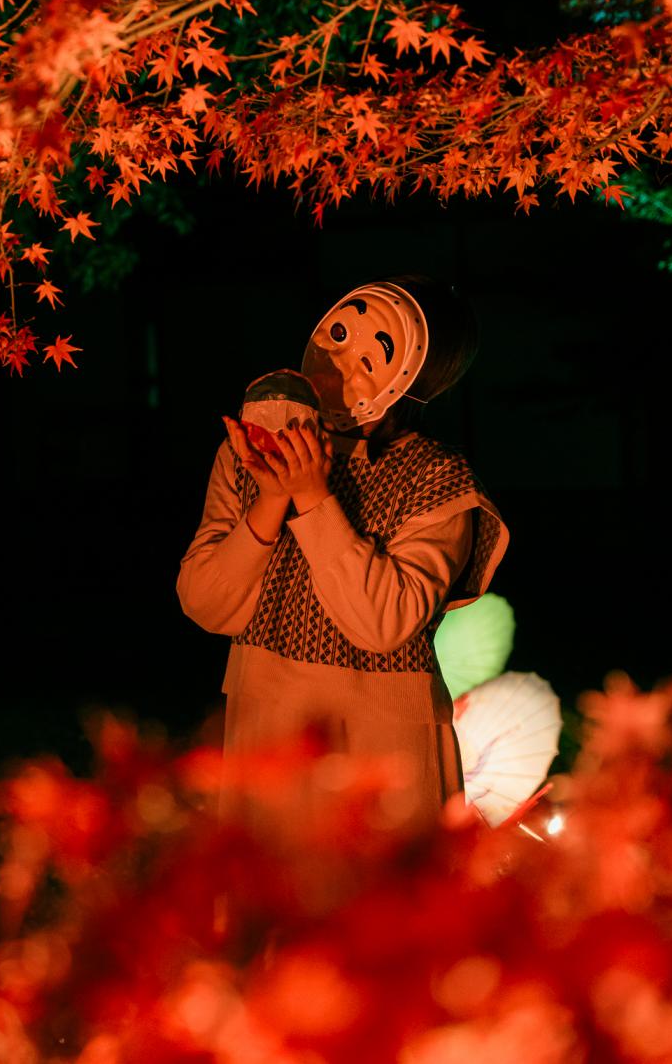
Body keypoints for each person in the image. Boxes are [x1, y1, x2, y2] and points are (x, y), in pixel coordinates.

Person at [177, 275, 508, 837]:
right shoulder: (249, 453)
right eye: (338, 333)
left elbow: (383, 623)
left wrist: (313, 497)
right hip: (268, 728)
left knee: (374, 915)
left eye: (373, 352)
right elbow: (206, 605)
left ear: (412, 376)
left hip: (381, 751)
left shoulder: (436, 479)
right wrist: (274, 496)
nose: (339, 358)